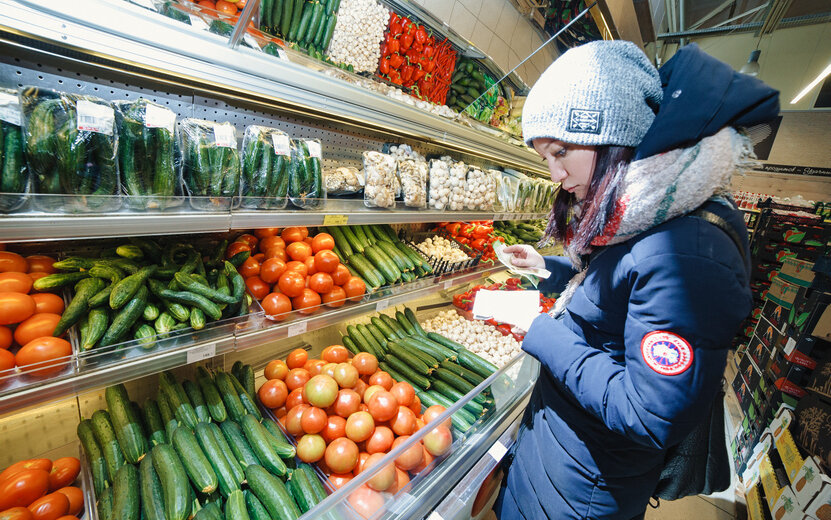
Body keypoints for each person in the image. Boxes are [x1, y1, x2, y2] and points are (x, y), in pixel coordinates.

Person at [493, 41, 779, 519]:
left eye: (561, 152)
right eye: (545, 158)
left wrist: (540, 332)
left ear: (613, 134)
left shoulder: (689, 250)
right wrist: (548, 268)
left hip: (586, 485)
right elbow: (615, 292)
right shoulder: (643, 214)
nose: (557, 175)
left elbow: (648, 413)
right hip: (565, 456)